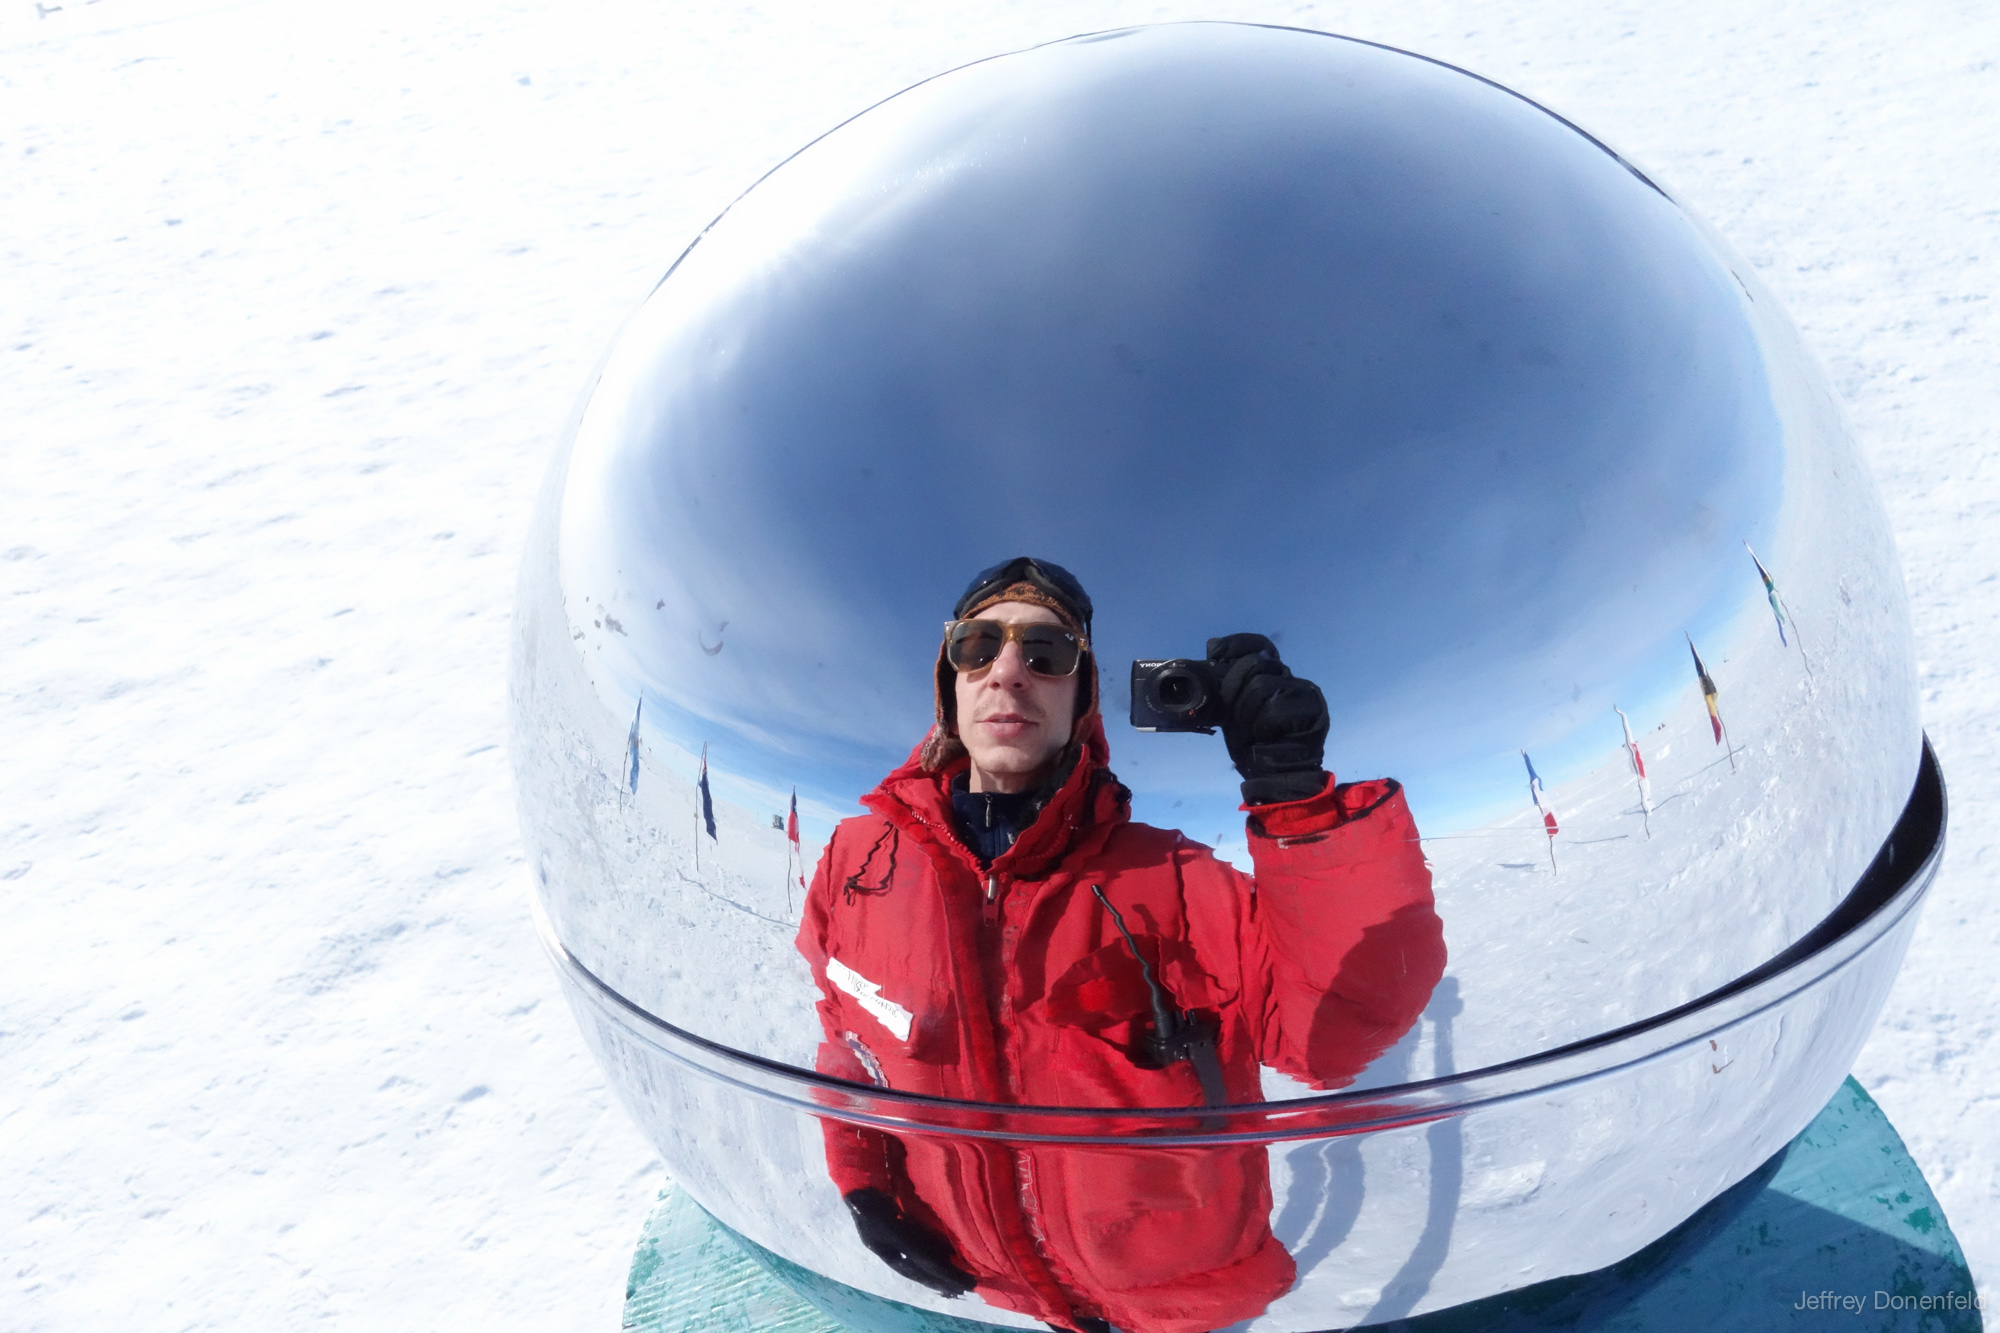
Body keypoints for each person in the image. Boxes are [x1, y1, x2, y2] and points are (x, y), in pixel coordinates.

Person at [795, 557, 1446, 1333]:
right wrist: (864, 1180)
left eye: (1047, 651)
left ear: (1083, 694)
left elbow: (1337, 1029)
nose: (1008, 671)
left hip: (1179, 1305)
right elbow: (847, 1042)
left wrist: (1294, 802)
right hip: (985, 1292)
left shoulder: (1174, 879)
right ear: (949, 680)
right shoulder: (858, 862)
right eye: (978, 645)